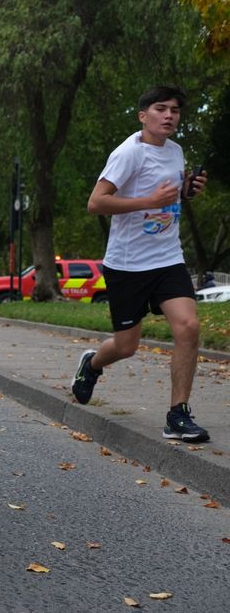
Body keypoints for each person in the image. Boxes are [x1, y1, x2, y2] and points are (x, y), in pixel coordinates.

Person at [71, 86, 209, 442]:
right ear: (142, 115)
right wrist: (149, 200)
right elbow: (96, 203)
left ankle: (177, 414)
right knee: (127, 345)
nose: (168, 116)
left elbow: (170, 197)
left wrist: (186, 192)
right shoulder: (128, 153)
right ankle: (93, 364)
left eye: (175, 110)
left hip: (167, 258)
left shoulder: (176, 151)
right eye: (160, 109)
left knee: (188, 327)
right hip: (128, 265)